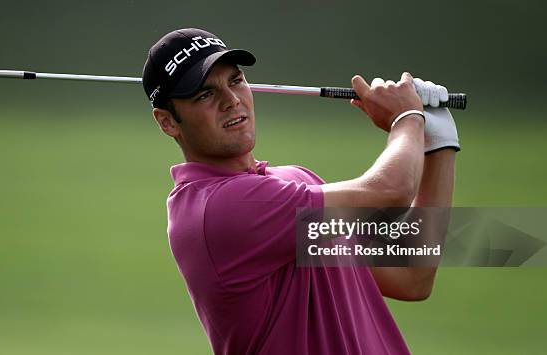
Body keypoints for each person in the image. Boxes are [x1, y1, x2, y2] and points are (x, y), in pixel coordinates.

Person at [142, 28, 459, 355]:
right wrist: (407, 118)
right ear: (167, 122)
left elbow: (412, 275)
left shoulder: (297, 180)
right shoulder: (220, 208)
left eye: (235, 80)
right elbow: (392, 190)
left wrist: (439, 145)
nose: (231, 101)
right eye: (205, 94)